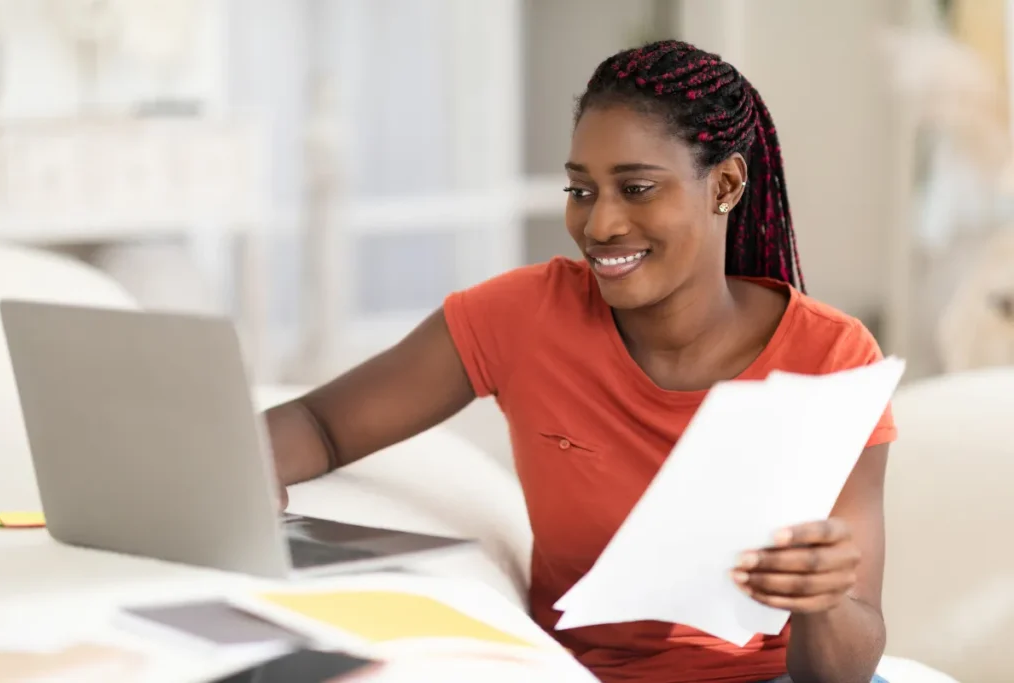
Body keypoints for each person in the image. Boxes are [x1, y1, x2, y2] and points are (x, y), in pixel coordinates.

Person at [264, 39, 894, 683]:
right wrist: (246, 474)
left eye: (637, 188)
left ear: (725, 186)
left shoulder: (833, 358)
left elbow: (841, 671)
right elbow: (321, 424)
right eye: (581, 190)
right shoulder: (522, 316)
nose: (600, 224)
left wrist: (820, 601)